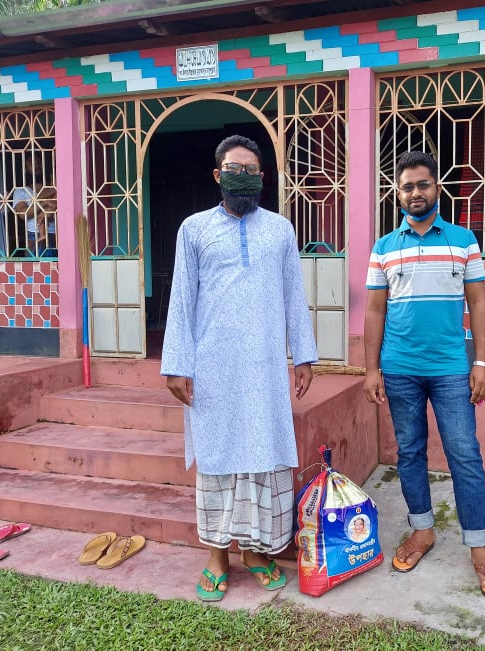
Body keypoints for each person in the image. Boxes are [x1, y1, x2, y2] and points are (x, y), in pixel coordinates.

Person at [161, 134, 318, 602]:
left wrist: (303, 355)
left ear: (263, 178)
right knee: (217, 458)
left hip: (265, 367)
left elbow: (294, 294)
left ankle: (254, 552)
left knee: (262, 458)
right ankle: (217, 556)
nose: (242, 177)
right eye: (233, 169)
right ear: (217, 175)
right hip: (213, 366)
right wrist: (177, 365)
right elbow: (181, 300)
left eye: (251, 170)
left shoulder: (280, 230)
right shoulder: (193, 229)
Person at [363, 150, 485, 598]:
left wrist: (482, 363)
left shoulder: (463, 240)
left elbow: (478, 302)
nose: (415, 193)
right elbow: (374, 310)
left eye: (422, 184)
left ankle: (480, 547)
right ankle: (422, 531)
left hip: (450, 370)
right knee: (410, 453)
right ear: (398, 193)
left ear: (436, 187)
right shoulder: (384, 247)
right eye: (407, 186)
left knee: (465, 454)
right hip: (400, 369)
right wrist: (371, 369)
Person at [12, 156, 57, 257]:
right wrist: (44, 202)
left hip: (55, 235)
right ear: (24, 168)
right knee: (33, 265)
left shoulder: (53, 188)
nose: (37, 164)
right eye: (31, 161)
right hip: (33, 236)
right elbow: (23, 214)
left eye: (39, 161)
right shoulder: (21, 191)